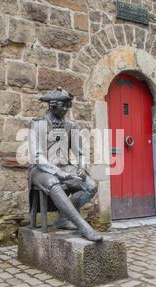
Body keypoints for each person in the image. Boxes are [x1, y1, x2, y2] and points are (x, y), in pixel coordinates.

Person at [28, 87, 103, 242]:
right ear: (52, 105)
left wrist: (81, 167)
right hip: (41, 170)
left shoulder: (71, 126)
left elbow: (80, 152)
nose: (66, 110)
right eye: (64, 106)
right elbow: (37, 156)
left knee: (90, 186)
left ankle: (63, 218)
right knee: (53, 181)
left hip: (65, 166)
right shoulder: (37, 124)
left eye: (68, 106)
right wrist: (58, 172)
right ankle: (83, 226)